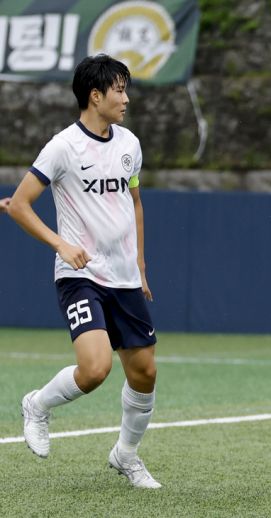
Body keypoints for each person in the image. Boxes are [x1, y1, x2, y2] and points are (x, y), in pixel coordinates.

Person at [7, 54, 160, 489]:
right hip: (80, 276)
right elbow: (19, 205)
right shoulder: (62, 147)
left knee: (145, 373)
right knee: (94, 369)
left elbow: (134, 203)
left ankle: (125, 455)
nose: (126, 99)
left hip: (124, 277)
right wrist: (61, 244)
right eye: (119, 91)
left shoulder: (130, 144)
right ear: (95, 96)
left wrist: (140, 264)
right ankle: (37, 405)